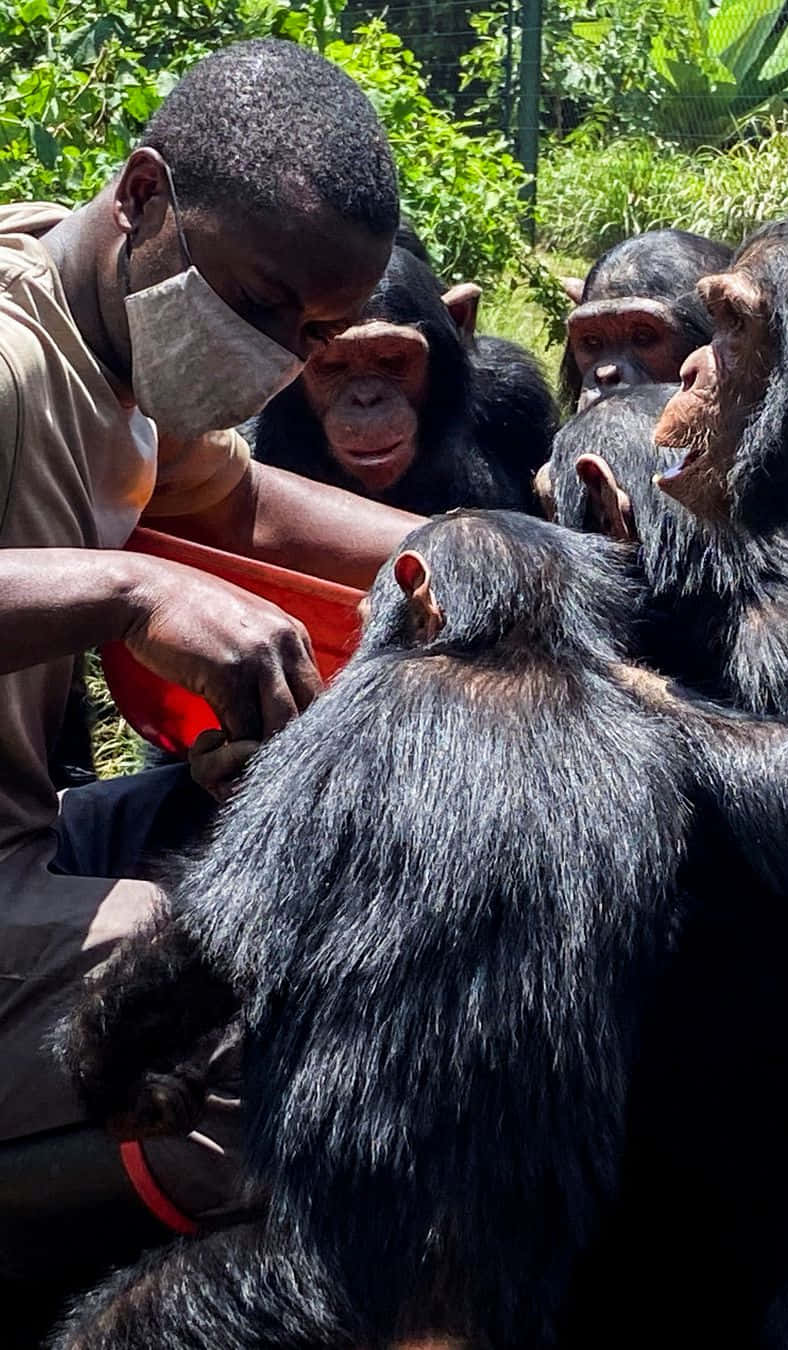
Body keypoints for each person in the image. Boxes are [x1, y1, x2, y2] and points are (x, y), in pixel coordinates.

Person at [0, 37, 425, 1293]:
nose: (283, 355)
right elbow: (175, 559)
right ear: (140, 195)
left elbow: (240, 506)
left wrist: (478, 550)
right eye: (261, 304)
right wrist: (133, 588)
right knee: (266, 1054)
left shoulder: (114, 336)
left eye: (315, 328)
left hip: (29, 840)